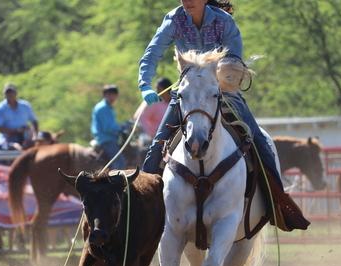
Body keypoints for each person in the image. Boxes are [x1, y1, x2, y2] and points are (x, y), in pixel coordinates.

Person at [139, 0, 283, 190]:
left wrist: (216, 75)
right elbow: (152, 52)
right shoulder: (174, 19)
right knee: (157, 145)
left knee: (258, 139)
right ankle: (144, 202)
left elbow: (234, 59)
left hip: (223, 91)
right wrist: (145, 85)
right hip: (188, 92)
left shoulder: (224, 21)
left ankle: (279, 200)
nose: (188, 1)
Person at [0, 83, 38, 150]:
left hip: (25, 137)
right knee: (12, 147)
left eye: (12, 92)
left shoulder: (25, 106)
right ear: (4, 94)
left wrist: (34, 135)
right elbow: (0, 129)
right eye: (7, 93)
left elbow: (34, 121)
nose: (10, 94)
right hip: (7, 138)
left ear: (16, 93)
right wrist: (17, 131)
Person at [91, 84, 126, 169]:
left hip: (109, 138)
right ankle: (116, 181)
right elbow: (108, 127)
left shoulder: (108, 107)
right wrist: (121, 129)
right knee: (119, 162)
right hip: (106, 139)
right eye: (109, 94)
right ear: (105, 95)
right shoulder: (103, 108)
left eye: (114, 94)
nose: (112, 97)